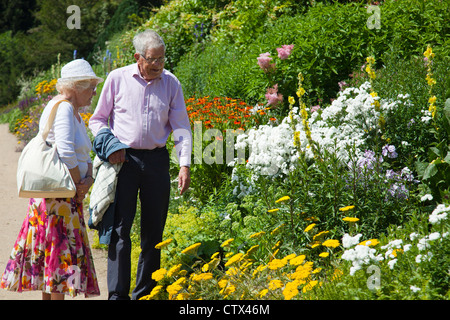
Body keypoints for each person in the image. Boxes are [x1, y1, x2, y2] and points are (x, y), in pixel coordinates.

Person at [89, 29, 192, 300]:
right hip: (123, 160)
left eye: (162, 59)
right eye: (152, 59)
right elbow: (97, 119)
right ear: (138, 57)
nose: (158, 65)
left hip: (157, 161)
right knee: (120, 230)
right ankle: (117, 295)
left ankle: (144, 294)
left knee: (153, 231)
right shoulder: (117, 78)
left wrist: (184, 165)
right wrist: (110, 146)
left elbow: (181, 127)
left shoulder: (171, 83)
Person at [0, 59, 103, 300]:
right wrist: (80, 186)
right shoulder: (65, 108)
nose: (93, 92)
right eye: (90, 86)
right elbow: (66, 152)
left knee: (54, 268)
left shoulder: (71, 110)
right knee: (59, 266)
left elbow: (79, 152)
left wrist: (86, 181)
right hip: (59, 199)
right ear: (77, 86)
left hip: (63, 198)